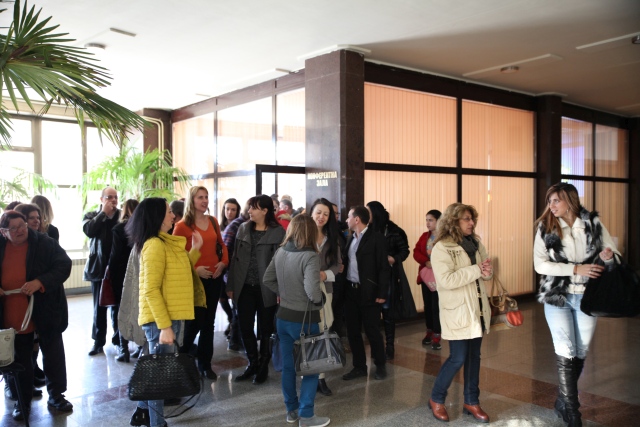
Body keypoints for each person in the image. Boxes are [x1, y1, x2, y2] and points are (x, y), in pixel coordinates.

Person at [534, 182, 619, 427]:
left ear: (570, 201)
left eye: (556, 200)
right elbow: (540, 264)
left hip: (587, 296)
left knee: (580, 351)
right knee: (565, 349)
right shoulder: (546, 227)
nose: (551, 206)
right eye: (549, 201)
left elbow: (613, 253)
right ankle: (573, 411)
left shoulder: (592, 223)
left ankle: (562, 401)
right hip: (557, 296)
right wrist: (574, 268)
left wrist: (608, 256)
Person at [125, 197, 205, 427]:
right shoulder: (155, 245)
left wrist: (196, 250)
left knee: (154, 370)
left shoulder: (164, 242)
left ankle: (142, 413)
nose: (173, 216)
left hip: (168, 317)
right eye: (169, 212)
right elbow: (150, 290)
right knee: (158, 378)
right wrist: (165, 326)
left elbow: (178, 271)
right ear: (157, 218)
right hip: (161, 321)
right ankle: (157, 423)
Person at [0, 210, 73, 420]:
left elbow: (64, 265)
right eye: (13, 228)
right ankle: (22, 402)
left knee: (53, 353)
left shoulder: (44, 242)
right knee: (20, 358)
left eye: (22, 226)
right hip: (14, 311)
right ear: (3, 232)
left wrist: (40, 282)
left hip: (46, 308)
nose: (20, 230)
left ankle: (56, 395)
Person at [263, 214, 331, 427]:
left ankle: (291, 411)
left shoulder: (281, 251)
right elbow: (312, 292)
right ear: (310, 232)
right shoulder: (310, 256)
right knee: (311, 368)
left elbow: (267, 279)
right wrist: (321, 300)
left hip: (283, 318)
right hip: (305, 320)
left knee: (289, 368)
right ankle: (307, 416)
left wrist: (285, 293)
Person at [428, 203, 492, 423]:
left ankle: (472, 401)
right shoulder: (441, 247)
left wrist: (487, 271)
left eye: (472, 219)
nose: (471, 223)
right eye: (466, 219)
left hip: (478, 309)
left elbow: (486, 272)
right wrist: (477, 270)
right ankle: (436, 398)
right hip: (457, 312)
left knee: (474, 357)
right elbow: (446, 280)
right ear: (453, 221)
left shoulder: (476, 242)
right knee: (458, 358)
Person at [227, 194, 285, 384]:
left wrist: (281, 290)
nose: (249, 211)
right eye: (250, 207)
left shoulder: (278, 232)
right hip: (244, 286)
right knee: (245, 326)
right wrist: (231, 285)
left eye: (254, 207)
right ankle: (252, 363)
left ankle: (263, 365)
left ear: (265, 211)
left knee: (266, 328)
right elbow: (235, 259)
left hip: (267, 287)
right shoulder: (243, 228)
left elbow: (282, 264)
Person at [172, 186, 229, 380]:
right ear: (192, 200)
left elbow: (221, 244)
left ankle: (205, 364)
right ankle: (181, 361)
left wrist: (223, 263)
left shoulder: (212, 221)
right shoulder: (181, 226)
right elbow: (177, 258)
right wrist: (195, 269)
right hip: (194, 282)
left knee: (209, 323)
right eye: (200, 197)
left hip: (214, 278)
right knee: (194, 323)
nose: (204, 201)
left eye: (206, 197)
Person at [341, 206, 390, 381]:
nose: (346, 220)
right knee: (353, 331)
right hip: (350, 291)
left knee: (372, 330)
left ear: (357, 219)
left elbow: (383, 267)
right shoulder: (350, 238)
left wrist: (382, 292)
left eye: (348, 216)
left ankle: (380, 365)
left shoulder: (376, 238)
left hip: (369, 291)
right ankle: (359, 366)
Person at [366, 201, 415, 360]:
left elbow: (405, 250)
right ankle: (376, 347)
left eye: (369, 212)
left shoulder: (394, 231)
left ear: (376, 213)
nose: (366, 215)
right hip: (371, 278)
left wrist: (394, 258)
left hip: (389, 277)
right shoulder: (367, 230)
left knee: (388, 314)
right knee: (373, 314)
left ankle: (390, 346)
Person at [310, 198, 342, 396]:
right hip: (303, 291)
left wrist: (325, 274)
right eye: (318, 212)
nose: (321, 217)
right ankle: (307, 374)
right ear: (311, 213)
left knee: (324, 330)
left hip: (325, 289)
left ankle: (320, 377)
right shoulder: (301, 234)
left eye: (326, 214)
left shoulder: (332, 238)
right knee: (308, 333)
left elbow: (337, 265)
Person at [83, 187, 121, 356]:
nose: (113, 200)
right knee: (99, 308)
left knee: (117, 307)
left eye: (115, 197)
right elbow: (89, 231)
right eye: (109, 197)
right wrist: (103, 214)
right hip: (98, 268)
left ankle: (119, 341)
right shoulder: (91, 216)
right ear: (101, 199)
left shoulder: (122, 216)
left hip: (117, 268)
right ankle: (98, 342)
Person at [107, 198, 139, 362]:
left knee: (121, 311)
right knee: (139, 310)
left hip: (122, 276)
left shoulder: (119, 229)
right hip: (140, 273)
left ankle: (123, 349)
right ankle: (140, 347)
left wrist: (111, 276)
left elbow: (114, 256)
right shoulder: (142, 228)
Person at [413, 209, 443, 350]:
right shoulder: (425, 236)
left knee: (436, 307)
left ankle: (437, 334)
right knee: (428, 306)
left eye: (430, 220)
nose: (427, 223)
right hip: (426, 276)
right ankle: (429, 331)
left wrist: (436, 263)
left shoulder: (445, 237)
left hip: (440, 278)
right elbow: (416, 252)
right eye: (426, 220)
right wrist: (425, 261)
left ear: (438, 221)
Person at [219, 198, 241, 339]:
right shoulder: (219, 226)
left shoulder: (239, 226)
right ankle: (231, 319)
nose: (230, 212)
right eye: (227, 209)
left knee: (234, 299)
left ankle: (234, 325)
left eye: (233, 209)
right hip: (221, 267)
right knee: (222, 298)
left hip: (233, 268)